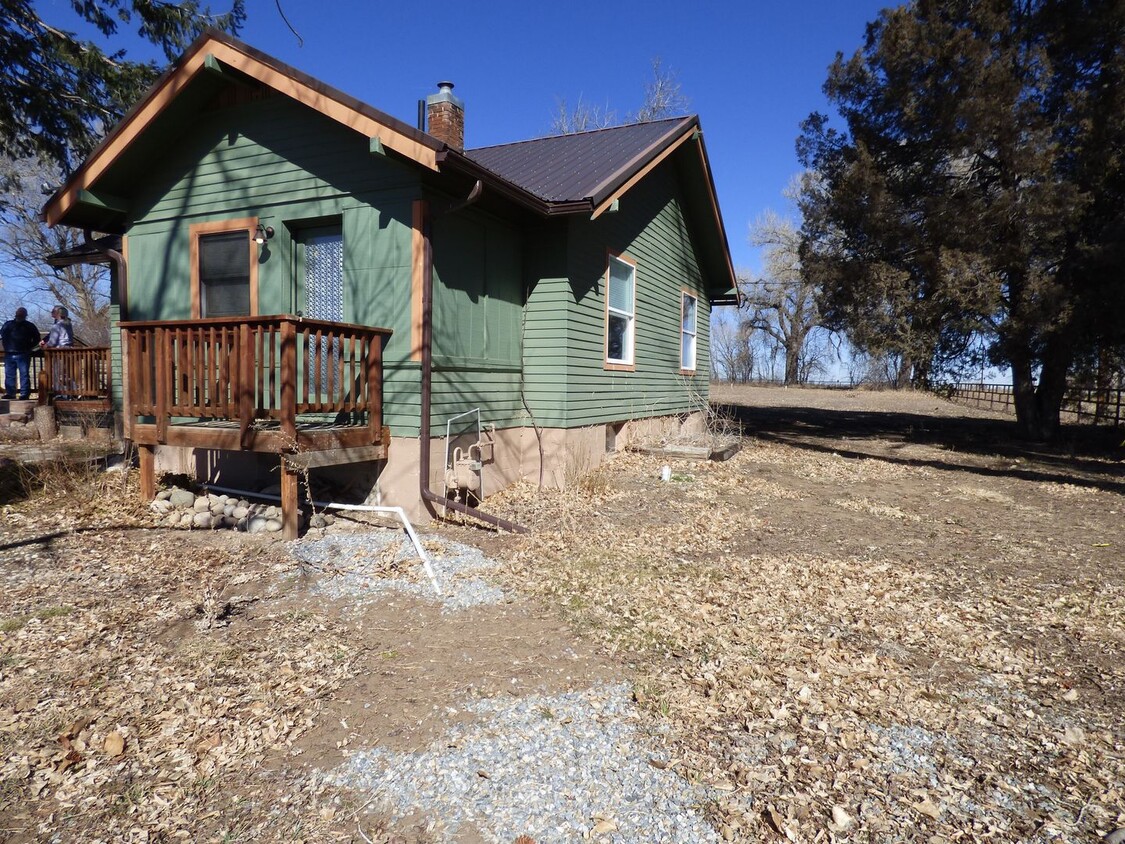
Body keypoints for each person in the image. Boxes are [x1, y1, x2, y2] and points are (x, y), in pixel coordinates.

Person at [1, 307, 41, 400]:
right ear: (16, 314)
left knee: (24, 374)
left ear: (25, 315)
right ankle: (10, 393)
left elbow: (37, 339)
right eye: (19, 313)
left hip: (23, 353)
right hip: (9, 353)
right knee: (9, 374)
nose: (20, 315)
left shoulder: (29, 326)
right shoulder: (8, 324)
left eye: (22, 313)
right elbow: (2, 334)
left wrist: (29, 347)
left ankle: (24, 394)